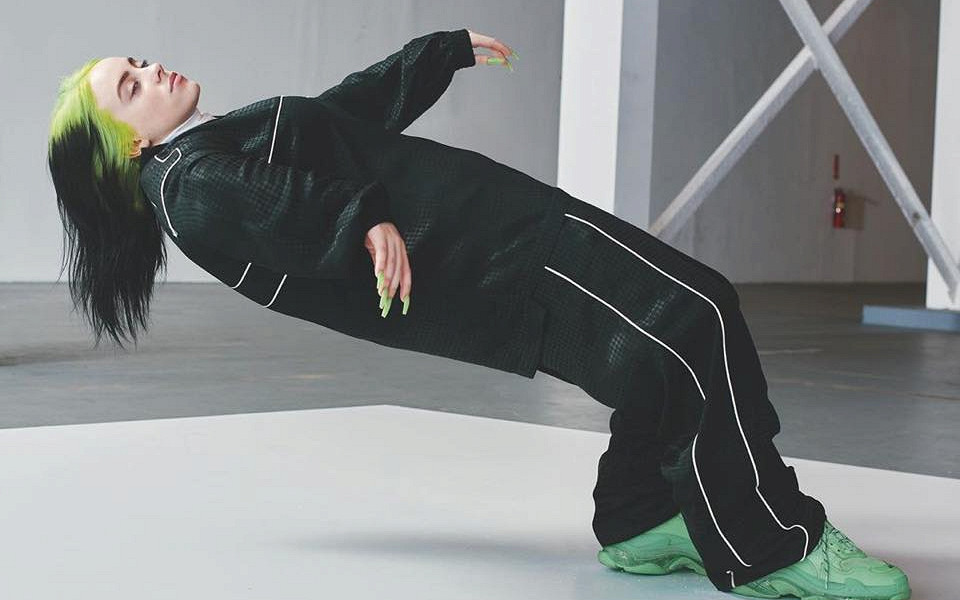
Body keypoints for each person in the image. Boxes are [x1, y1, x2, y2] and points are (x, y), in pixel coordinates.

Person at [46, 27, 910, 600]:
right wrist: (364, 223)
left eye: (138, 61)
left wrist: (436, 56)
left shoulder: (206, 148)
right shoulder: (190, 185)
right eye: (130, 85)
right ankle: (771, 545)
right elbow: (289, 212)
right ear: (127, 143)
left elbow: (337, 124)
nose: (151, 71)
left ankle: (643, 518)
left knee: (660, 346)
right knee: (694, 317)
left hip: (500, 231)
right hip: (495, 260)